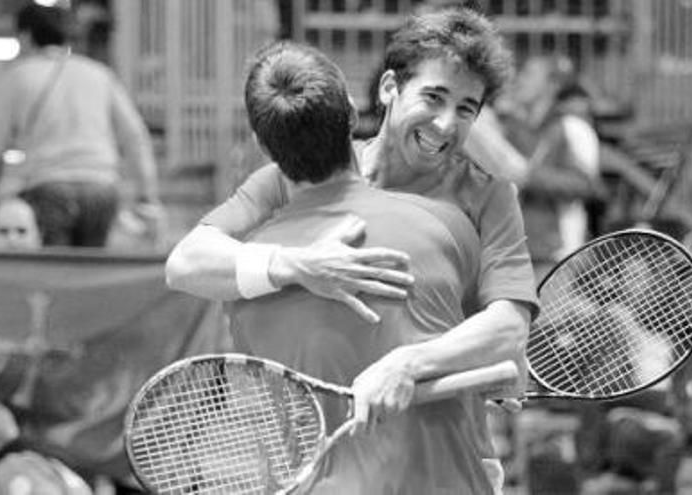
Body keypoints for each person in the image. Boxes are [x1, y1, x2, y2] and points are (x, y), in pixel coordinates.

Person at [165, 7, 537, 491]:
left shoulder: (488, 196)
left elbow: (508, 327)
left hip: (443, 463)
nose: (446, 124)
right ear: (388, 88)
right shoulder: (300, 175)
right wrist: (299, 266)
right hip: (326, 471)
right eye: (434, 97)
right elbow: (187, 262)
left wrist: (409, 363)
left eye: (466, 108)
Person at [0, 1, 164, 248]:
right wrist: (147, 196)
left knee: (56, 277)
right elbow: (136, 138)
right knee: (90, 276)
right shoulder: (99, 74)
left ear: (25, 36)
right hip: (102, 188)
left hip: (48, 188)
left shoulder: (15, 77)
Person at [501, 55, 605, 276]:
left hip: (554, 255)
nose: (519, 80)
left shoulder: (573, 127)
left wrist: (530, 177)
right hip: (511, 253)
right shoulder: (512, 127)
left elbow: (585, 185)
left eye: (529, 74)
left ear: (551, 85)